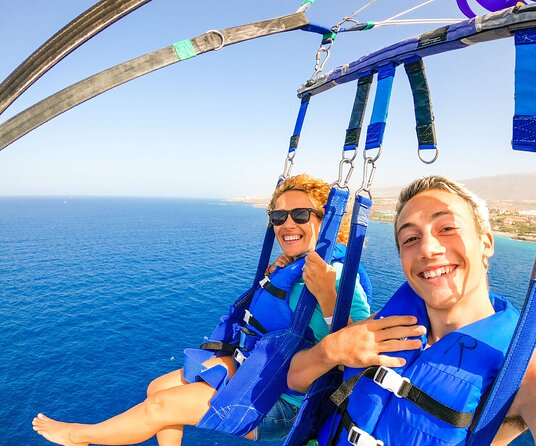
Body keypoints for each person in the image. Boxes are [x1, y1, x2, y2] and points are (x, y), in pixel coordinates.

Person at [32, 174, 371, 446]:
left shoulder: (339, 275)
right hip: (260, 371)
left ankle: (80, 436)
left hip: (287, 403)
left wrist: (327, 294)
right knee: (156, 388)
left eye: (300, 215)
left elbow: (362, 349)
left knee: (162, 406)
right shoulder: (293, 266)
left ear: (325, 222)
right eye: (278, 217)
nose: (287, 224)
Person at [287, 175, 536, 445]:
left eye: (446, 229)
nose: (428, 248)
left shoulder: (525, 376)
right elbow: (295, 379)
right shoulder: (386, 325)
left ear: (486, 243)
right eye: (410, 239)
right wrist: (331, 350)